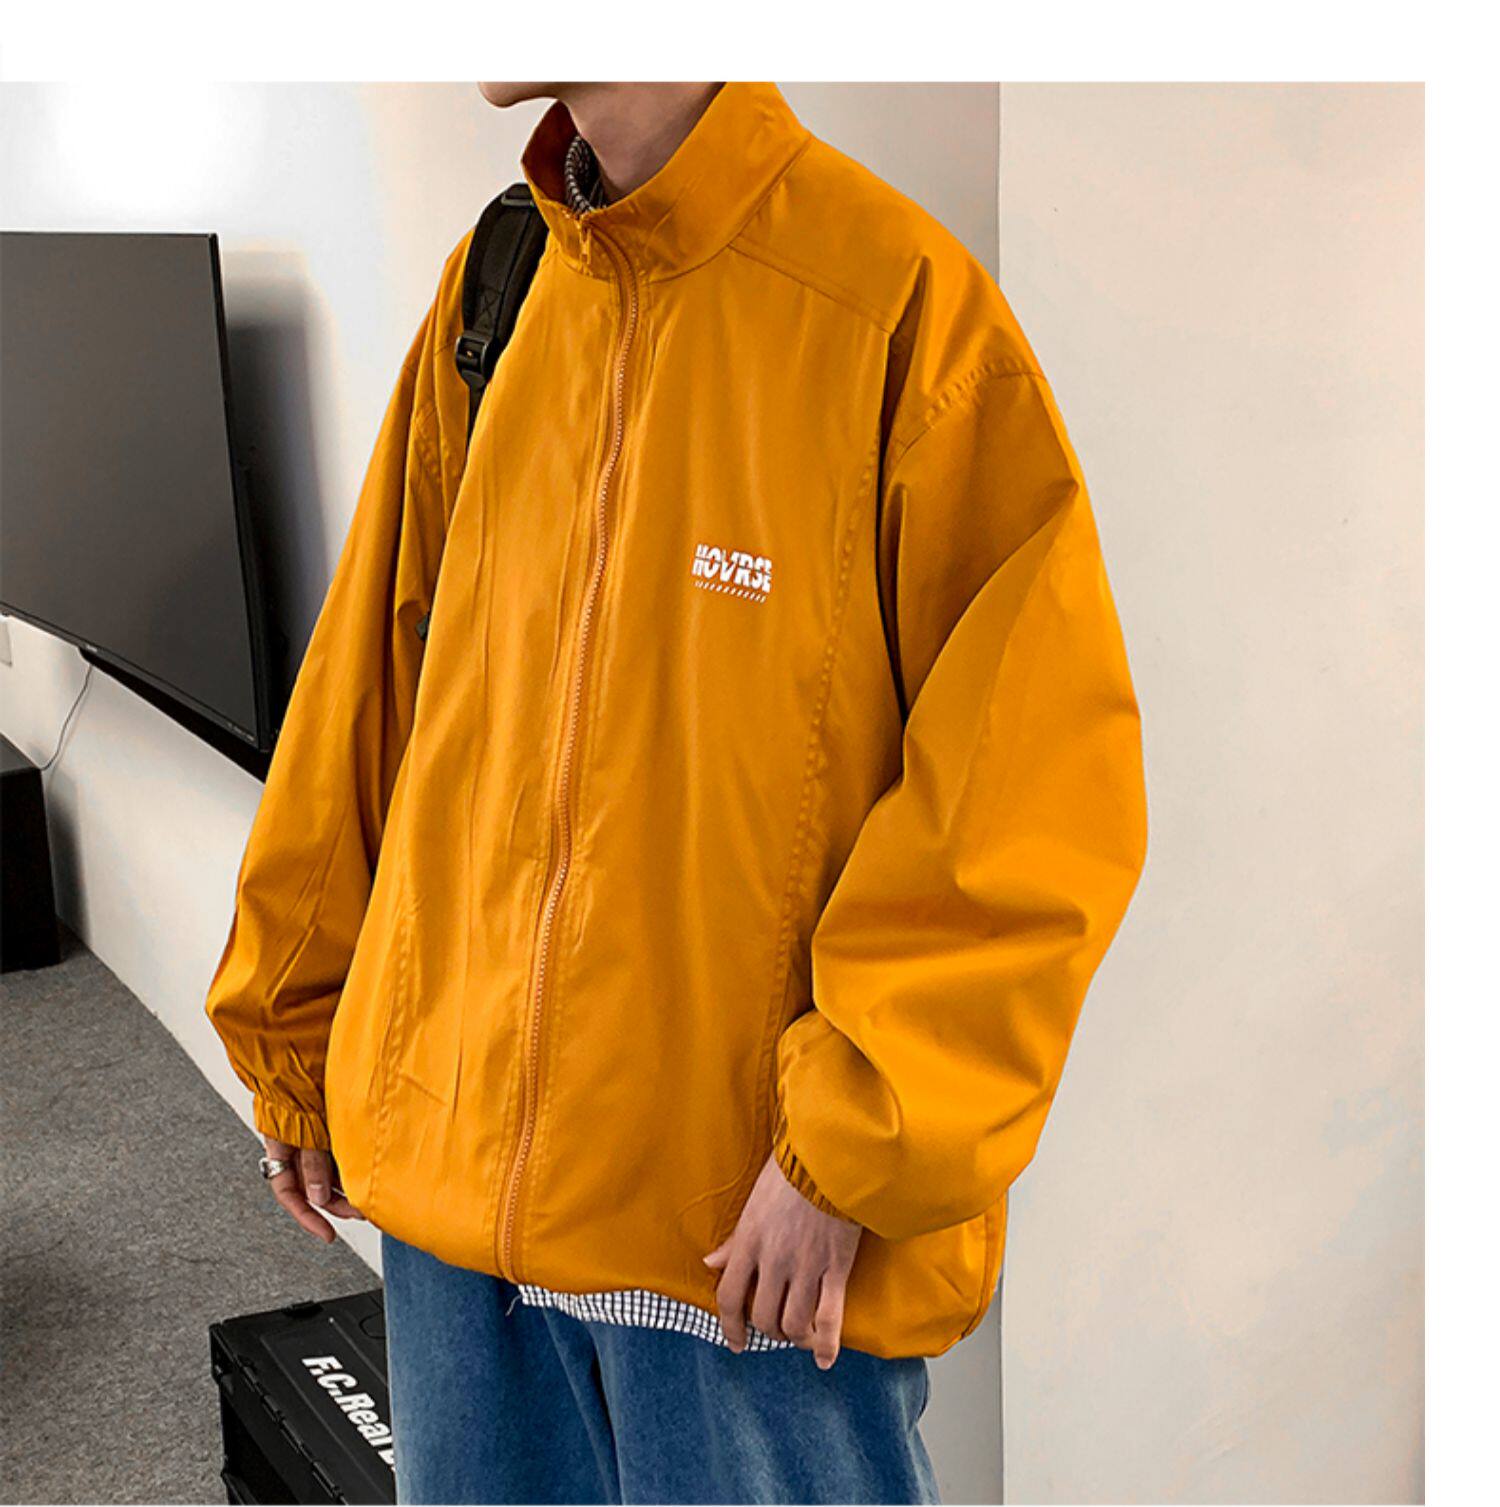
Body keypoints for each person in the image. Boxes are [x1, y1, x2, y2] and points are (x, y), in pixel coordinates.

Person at [205, 81, 1148, 1505]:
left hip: (734, 1258)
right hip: (459, 1226)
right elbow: (371, 694)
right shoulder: (501, 279)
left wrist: (850, 1151)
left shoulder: (894, 305)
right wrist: (294, 1014)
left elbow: (1032, 790)